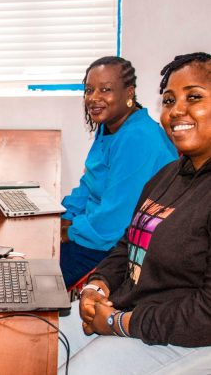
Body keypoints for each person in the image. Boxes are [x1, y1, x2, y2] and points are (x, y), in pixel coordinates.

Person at [58, 52, 211, 374]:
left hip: (177, 334)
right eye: (169, 100)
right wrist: (96, 286)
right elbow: (128, 242)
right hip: (130, 307)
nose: (176, 111)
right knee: (34, 343)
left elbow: (205, 315)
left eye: (193, 97)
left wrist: (117, 322)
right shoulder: (170, 175)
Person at [60, 56, 177, 287]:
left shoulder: (137, 138)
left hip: (117, 247)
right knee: (29, 259)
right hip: (98, 233)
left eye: (106, 90)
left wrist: (69, 232)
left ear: (129, 93)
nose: (94, 98)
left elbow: (114, 222)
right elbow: (89, 184)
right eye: (89, 90)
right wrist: (64, 216)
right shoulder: (110, 127)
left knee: (32, 281)